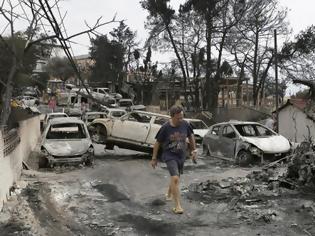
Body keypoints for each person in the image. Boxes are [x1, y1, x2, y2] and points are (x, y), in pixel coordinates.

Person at [151, 105, 197, 214]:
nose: (181, 120)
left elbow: (191, 136)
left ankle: (169, 193)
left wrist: (193, 150)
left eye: (182, 117)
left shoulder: (185, 124)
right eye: (178, 118)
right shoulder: (165, 127)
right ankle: (178, 206)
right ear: (172, 117)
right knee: (175, 178)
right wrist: (154, 158)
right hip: (169, 155)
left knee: (175, 177)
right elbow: (157, 143)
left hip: (181, 156)